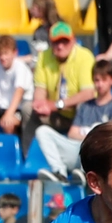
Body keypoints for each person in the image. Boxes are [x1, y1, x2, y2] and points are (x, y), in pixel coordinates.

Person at [33, 60, 112, 184]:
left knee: (98, 132)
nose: (100, 84)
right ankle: (59, 172)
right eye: (96, 80)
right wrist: (87, 137)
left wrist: (90, 138)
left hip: (98, 156)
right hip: (76, 150)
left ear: (111, 80)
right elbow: (72, 133)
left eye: (103, 80)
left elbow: (111, 140)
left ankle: (85, 173)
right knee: (42, 131)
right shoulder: (85, 106)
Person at [26, 23, 97, 153]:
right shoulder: (44, 56)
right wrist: (40, 104)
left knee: (84, 105)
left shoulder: (85, 57)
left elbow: (89, 93)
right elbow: (40, 88)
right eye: (56, 42)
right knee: (27, 109)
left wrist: (57, 104)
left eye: (65, 41)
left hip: (77, 112)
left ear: (73, 40)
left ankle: (83, 157)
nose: (60, 46)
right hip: (55, 113)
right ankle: (29, 156)